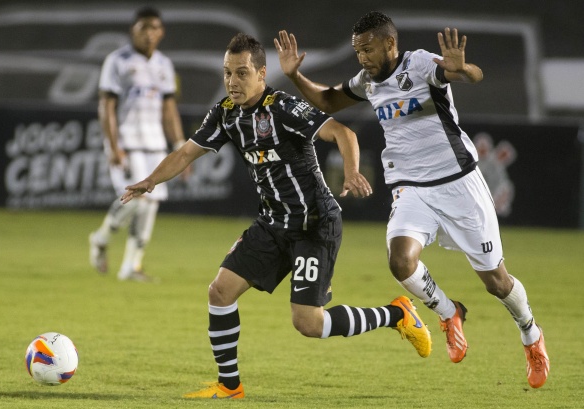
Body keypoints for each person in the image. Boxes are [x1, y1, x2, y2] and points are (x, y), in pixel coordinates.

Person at [122, 33, 432, 399]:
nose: (232, 82)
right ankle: (229, 386)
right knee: (220, 292)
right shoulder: (225, 114)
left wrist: (350, 171)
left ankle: (397, 314)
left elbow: (343, 132)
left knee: (308, 323)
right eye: (227, 73)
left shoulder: (282, 107)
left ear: (261, 74)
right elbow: (185, 154)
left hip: (314, 224)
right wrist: (149, 180)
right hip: (272, 223)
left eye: (241, 73)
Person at [274, 11, 549, 388]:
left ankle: (531, 335)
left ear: (389, 43)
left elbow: (467, 75)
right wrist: (294, 75)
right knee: (400, 260)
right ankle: (450, 312)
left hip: (458, 182)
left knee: (497, 281)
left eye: (367, 49)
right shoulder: (367, 81)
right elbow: (328, 100)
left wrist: (463, 69)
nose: (362, 58)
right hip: (410, 185)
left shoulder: (418, 64)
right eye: (357, 51)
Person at [89, 6, 186, 282]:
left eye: (154, 28)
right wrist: (113, 144)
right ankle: (100, 238)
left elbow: (169, 109)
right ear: (133, 30)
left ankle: (131, 267)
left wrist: (179, 145)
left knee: (150, 203)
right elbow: (106, 105)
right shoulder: (117, 61)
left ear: (162, 32)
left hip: (154, 144)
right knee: (135, 199)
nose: (149, 34)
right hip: (127, 143)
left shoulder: (164, 65)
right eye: (143, 28)